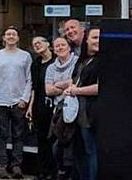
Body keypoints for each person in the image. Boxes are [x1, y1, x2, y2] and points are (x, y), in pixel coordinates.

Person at [0, 26, 32, 179]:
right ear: (4, 38)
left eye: (14, 34)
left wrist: (24, 99)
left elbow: (29, 79)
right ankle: (1, 166)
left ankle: (16, 166)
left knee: (18, 135)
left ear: (18, 38)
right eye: (8, 34)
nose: (11, 36)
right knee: (2, 135)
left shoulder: (25, 56)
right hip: (1, 100)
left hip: (18, 101)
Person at [64, 27, 100, 180]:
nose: (98, 41)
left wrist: (76, 91)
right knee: (77, 151)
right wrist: (67, 88)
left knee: (92, 152)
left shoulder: (103, 61)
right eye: (94, 37)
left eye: (100, 38)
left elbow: (100, 88)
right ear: (86, 40)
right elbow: (74, 80)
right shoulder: (82, 59)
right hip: (74, 115)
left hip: (90, 115)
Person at [45, 37, 79, 180]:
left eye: (63, 45)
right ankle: (63, 172)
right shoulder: (51, 67)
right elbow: (48, 90)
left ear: (69, 47)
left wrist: (57, 84)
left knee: (72, 147)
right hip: (58, 113)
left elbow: (76, 81)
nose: (60, 48)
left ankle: (70, 174)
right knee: (57, 147)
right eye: (57, 46)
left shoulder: (77, 62)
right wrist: (65, 86)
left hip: (75, 111)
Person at [28, 36, 56, 180]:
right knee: (41, 139)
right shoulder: (36, 63)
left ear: (48, 44)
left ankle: (53, 171)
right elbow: (34, 87)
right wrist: (30, 106)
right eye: (34, 44)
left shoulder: (56, 60)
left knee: (53, 139)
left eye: (39, 42)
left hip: (54, 104)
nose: (37, 45)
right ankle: (42, 171)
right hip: (40, 104)